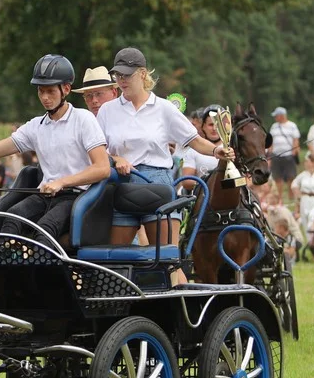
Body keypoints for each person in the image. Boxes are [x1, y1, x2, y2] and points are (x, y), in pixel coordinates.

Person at [0, 54, 110, 242]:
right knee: (10, 220)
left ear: (65, 89)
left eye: (50, 91)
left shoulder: (83, 120)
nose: (45, 98)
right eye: (41, 91)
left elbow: (102, 168)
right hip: (45, 196)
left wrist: (62, 182)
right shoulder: (35, 127)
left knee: (44, 230)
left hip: (76, 197)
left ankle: (41, 270)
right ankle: (5, 269)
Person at [97, 48, 234, 285]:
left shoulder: (163, 108)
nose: (121, 81)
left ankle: (185, 313)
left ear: (142, 74)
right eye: (118, 75)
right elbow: (98, 149)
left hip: (156, 184)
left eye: (126, 75)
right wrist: (115, 159)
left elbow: (195, 140)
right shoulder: (108, 110)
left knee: (168, 262)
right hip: (120, 185)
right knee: (115, 263)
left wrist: (216, 150)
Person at [179, 105, 222, 189]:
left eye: (218, 124)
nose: (214, 128)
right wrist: (210, 185)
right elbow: (186, 182)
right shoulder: (192, 151)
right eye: (210, 124)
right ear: (203, 126)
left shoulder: (233, 149)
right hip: (203, 196)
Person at [268, 107, 301, 203]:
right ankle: (280, 198)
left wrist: (294, 153)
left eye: (276, 116)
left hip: (288, 155)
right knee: (277, 177)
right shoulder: (274, 126)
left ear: (282, 116)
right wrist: (270, 155)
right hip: (276, 155)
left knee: (291, 176)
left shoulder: (292, 126)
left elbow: (296, 140)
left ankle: (291, 198)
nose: (275, 118)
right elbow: (271, 142)